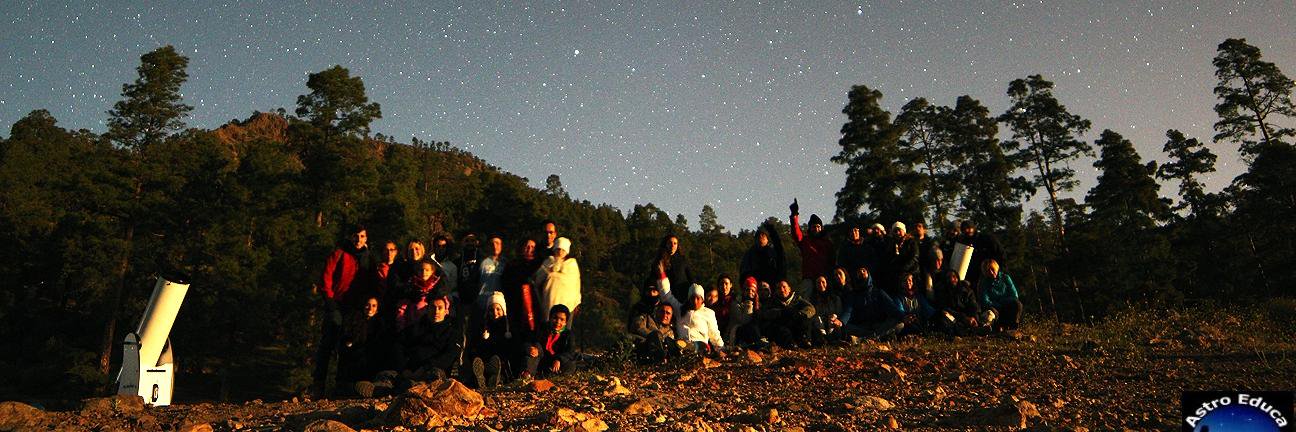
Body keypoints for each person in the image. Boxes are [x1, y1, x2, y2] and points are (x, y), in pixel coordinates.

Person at [312, 225, 371, 396]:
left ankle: (341, 384)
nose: (358, 240)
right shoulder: (339, 253)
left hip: (356, 308)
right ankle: (319, 384)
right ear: (350, 237)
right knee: (328, 343)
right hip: (336, 304)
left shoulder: (367, 257)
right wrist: (329, 301)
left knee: (348, 344)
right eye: (355, 236)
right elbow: (326, 277)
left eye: (362, 236)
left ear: (366, 238)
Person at [400, 296, 463, 381]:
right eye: (433, 307)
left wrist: (425, 368)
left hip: (434, 372)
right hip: (410, 370)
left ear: (446, 311)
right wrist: (404, 368)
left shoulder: (452, 332)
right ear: (427, 309)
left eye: (440, 308)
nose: (436, 311)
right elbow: (399, 346)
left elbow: (449, 355)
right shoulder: (416, 328)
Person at [339, 297, 392, 394]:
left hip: (374, 362)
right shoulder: (355, 321)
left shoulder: (381, 324)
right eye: (368, 305)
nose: (370, 308)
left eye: (374, 305)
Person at [788, 199, 836, 298]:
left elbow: (832, 260)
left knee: (828, 295)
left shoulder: (827, 243)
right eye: (814, 226)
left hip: (824, 277)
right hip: (808, 277)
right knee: (804, 296)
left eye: (818, 226)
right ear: (810, 228)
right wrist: (794, 216)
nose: (816, 229)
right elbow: (796, 233)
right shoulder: (805, 241)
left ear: (821, 228)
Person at [500, 239, 543, 350]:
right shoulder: (512, 265)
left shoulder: (540, 265)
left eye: (533, 247)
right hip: (516, 307)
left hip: (536, 309)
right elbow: (505, 284)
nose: (530, 249)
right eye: (527, 246)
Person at [840, 267, 904, 341]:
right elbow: (848, 310)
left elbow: (892, 307)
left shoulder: (878, 292)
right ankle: (878, 337)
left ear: (868, 274)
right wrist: (841, 321)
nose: (861, 272)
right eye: (859, 272)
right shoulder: (853, 295)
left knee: (899, 323)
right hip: (862, 327)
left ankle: (863, 339)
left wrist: (904, 316)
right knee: (846, 327)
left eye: (864, 270)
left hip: (879, 325)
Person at [467, 292, 514, 389]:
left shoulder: (509, 327)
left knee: (497, 365)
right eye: (491, 310)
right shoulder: (483, 326)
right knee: (479, 363)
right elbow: (475, 345)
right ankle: (482, 380)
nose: (495, 313)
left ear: (503, 310)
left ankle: (496, 379)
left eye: (498, 309)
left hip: (502, 362)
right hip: (485, 358)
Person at [536, 237, 581, 329]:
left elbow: (576, 285)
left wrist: (577, 302)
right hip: (550, 298)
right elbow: (538, 280)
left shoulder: (572, 265)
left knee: (563, 323)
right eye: (558, 249)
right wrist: (549, 272)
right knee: (549, 321)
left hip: (567, 301)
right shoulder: (548, 262)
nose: (560, 252)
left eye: (563, 250)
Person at [759, 280, 817, 348]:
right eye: (779, 288)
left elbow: (811, 308)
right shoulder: (772, 301)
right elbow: (765, 313)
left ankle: (805, 341)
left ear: (789, 289)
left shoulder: (797, 299)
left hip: (797, 325)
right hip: (782, 327)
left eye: (784, 287)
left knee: (807, 322)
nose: (782, 290)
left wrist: (800, 314)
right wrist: (781, 312)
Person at [525, 304, 576, 378]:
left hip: (556, 362)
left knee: (570, 364)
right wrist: (530, 348)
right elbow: (528, 340)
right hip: (540, 360)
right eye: (555, 318)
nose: (558, 322)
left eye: (562, 319)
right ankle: (527, 375)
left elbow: (570, 352)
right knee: (535, 348)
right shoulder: (541, 328)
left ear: (565, 322)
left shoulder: (568, 334)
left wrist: (559, 359)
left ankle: (554, 376)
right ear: (550, 318)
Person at [677, 284, 726, 357]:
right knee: (678, 343)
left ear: (702, 300)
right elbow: (666, 296)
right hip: (682, 343)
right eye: (692, 298)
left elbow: (714, 334)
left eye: (698, 298)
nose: (695, 301)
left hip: (702, 347)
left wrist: (721, 349)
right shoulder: (679, 310)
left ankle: (688, 348)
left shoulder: (708, 313)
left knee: (693, 346)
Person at [395, 260, 444, 331]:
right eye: (421, 270)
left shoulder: (438, 287)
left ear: (432, 272)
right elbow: (402, 307)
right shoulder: (411, 286)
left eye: (427, 270)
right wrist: (401, 324)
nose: (424, 272)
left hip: (431, 325)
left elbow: (444, 305)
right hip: (412, 323)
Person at [977, 259, 1022, 331]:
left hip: (1006, 304)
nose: (991, 272)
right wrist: (997, 304)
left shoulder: (1005, 278)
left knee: (1017, 304)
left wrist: (1002, 302)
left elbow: (1014, 295)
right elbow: (985, 300)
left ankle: (1014, 327)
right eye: (988, 271)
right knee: (991, 313)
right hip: (994, 308)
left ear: (996, 268)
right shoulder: (984, 283)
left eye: (992, 269)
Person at [652, 234, 694, 305]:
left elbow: (691, 279)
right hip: (666, 298)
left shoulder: (683, 260)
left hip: (683, 298)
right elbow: (653, 280)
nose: (672, 245)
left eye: (675, 243)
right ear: (665, 244)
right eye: (670, 243)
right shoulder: (659, 262)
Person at [879, 222, 919, 296]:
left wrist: (904, 269)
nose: (897, 232)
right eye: (895, 231)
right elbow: (888, 257)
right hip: (896, 275)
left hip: (910, 272)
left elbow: (914, 257)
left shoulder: (911, 242)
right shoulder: (892, 243)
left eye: (899, 230)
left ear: (904, 231)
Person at [740, 222, 786, 286]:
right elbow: (744, 272)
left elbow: (780, 250)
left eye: (763, 236)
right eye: (758, 236)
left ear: (767, 240)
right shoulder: (749, 254)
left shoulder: (773, 252)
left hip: (772, 284)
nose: (761, 237)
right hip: (755, 285)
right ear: (755, 240)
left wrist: (773, 232)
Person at [726, 276, 764, 348]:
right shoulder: (736, 303)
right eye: (747, 290)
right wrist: (749, 304)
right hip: (737, 333)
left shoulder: (758, 304)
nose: (750, 292)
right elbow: (744, 321)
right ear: (743, 291)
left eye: (753, 291)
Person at [809, 275, 844, 344]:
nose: (821, 285)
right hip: (819, 325)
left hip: (832, 324)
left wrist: (836, 318)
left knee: (833, 317)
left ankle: (833, 338)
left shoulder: (835, 298)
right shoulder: (812, 299)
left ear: (827, 283)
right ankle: (823, 338)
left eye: (823, 282)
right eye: (818, 283)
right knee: (817, 319)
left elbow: (839, 312)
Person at [913, 222, 942, 301]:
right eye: (916, 227)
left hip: (927, 270)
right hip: (914, 270)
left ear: (925, 230)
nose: (918, 228)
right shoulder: (911, 242)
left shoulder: (930, 242)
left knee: (929, 291)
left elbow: (937, 253)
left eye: (920, 226)